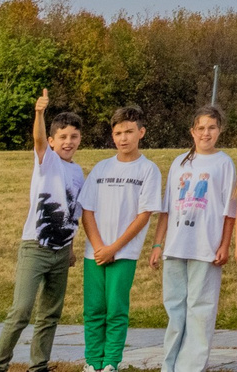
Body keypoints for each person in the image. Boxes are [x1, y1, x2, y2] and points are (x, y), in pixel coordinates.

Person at [0, 89, 85, 372]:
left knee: (50, 314)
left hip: (60, 253)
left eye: (74, 136)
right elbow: (38, 139)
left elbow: (72, 213)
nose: (68, 142)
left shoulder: (78, 172)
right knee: (21, 311)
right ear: (53, 141)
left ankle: (39, 365)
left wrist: (69, 248)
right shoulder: (48, 161)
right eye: (63, 137)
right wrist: (40, 113)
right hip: (35, 247)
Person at [79, 105, 162, 372]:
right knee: (94, 309)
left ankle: (110, 363)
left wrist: (115, 247)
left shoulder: (148, 170)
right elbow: (87, 210)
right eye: (118, 133)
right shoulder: (101, 168)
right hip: (95, 252)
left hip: (123, 253)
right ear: (112, 135)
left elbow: (143, 215)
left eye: (129, 131)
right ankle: (92, 363)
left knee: (115, 309)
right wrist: (99, 246)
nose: (123, 138)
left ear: (141, 132)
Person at [161, 105, 237, 372]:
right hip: (176, 245)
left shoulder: (224, 163)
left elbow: (230, 210)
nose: (206, 133)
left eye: (212, 128)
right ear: (192, 132)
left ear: (220, 130)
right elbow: (167, 208)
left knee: (200, 309)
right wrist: (159, 244)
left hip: (206, 246)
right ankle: (169, 365)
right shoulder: (179, 162)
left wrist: (225, 245)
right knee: (175, 309)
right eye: (201, 128)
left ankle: (191, 366)